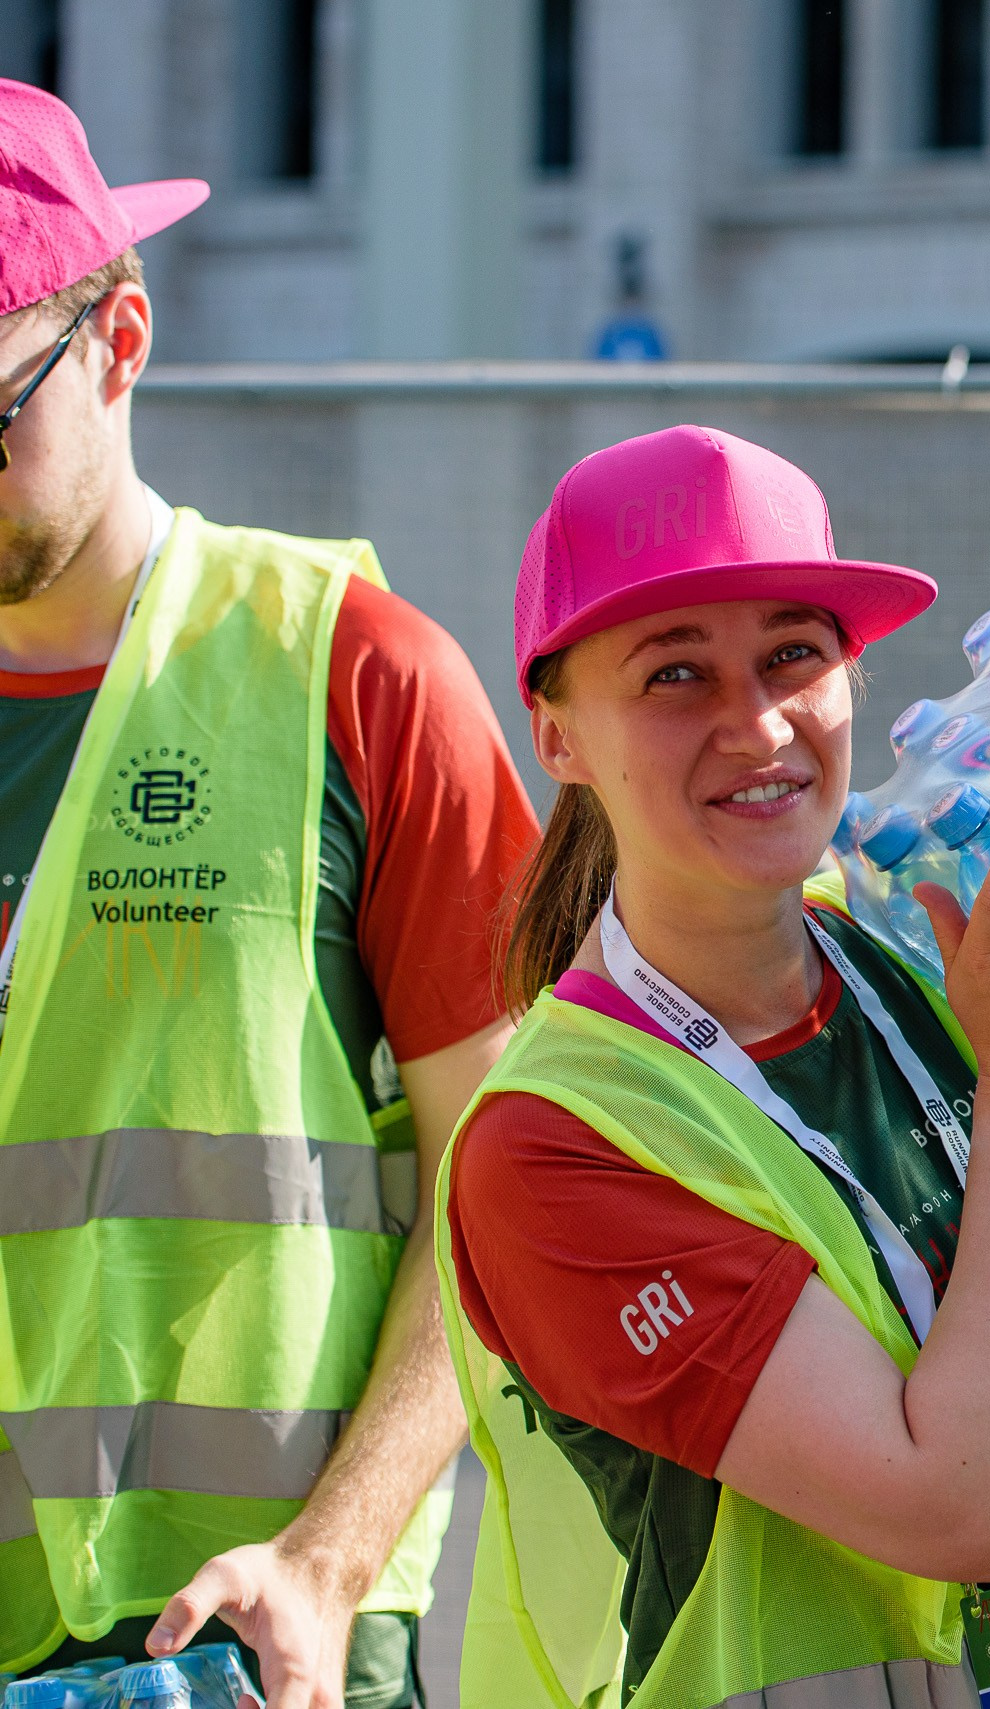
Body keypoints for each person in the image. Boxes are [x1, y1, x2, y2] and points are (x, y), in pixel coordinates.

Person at [436, 424, 990, 1707]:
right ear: (559, 737)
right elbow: (953, 1507)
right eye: (674, 673)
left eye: (794, 655)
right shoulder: (553, 1144)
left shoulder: (918, 953)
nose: (757, 725)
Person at [0, 82, 539, 1706]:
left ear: (119, 341)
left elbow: (509, 1173)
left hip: (247, 1639)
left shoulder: (355, 675)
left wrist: (334, 1553)